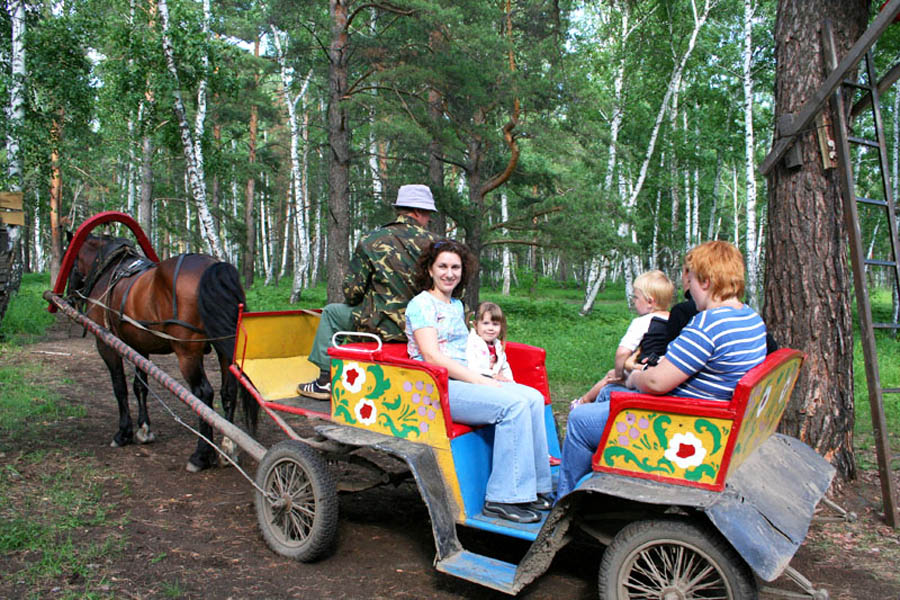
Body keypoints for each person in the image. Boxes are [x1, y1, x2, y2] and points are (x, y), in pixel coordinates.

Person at [556, 241, 768, 500]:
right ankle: (599, 489)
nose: (687, 288)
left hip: (679, 424)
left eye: (689, 279)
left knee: (580, 421)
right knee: (609, 390)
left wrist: (635, 376)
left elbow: (656, 382)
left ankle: (565, 501)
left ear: (705, 281)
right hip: (709, 414)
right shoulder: (750, 318)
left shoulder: (709, 324)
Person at [406, 240, 552, 524]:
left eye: (455, 267)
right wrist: (479, 380)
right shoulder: (421, 304)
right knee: (512, 406)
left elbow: (467, 350)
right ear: (430, 269)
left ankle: (534, 487)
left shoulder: (456, 305)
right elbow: (432, 356)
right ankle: (502, 498)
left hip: (466, 378)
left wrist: (487, 373)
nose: (450, 273)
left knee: (532, 398)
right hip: (438, 386)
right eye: (443, 267)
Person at [297, 184, 440, 399]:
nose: (428, 219)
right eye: (428, 214)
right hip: (426, 329)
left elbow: (352, 292)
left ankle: (325, 381)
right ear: (418, 212)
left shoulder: (371, 240)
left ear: (400, 209)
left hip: (382, 327)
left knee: (331, 312)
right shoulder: (438, 244)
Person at [570, 270, 674, 408]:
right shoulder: (673, 320)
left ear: (650, 301)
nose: (633, 300)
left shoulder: (642, 322)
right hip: (662, 374)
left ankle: (583, 401)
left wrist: (619, 374)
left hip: (640, 372)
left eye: (636, 297)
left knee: (609, 376)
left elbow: (622, 352)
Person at [466, 301, 514, 382]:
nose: (490, 328)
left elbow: (504, 366)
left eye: (495, 324)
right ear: (475, 325)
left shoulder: (497, 346)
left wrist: (510, 381)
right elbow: (471, 366)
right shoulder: (471, 343)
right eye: (486, 323)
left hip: (495, 382)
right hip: (477, 382)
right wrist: (492, 375)